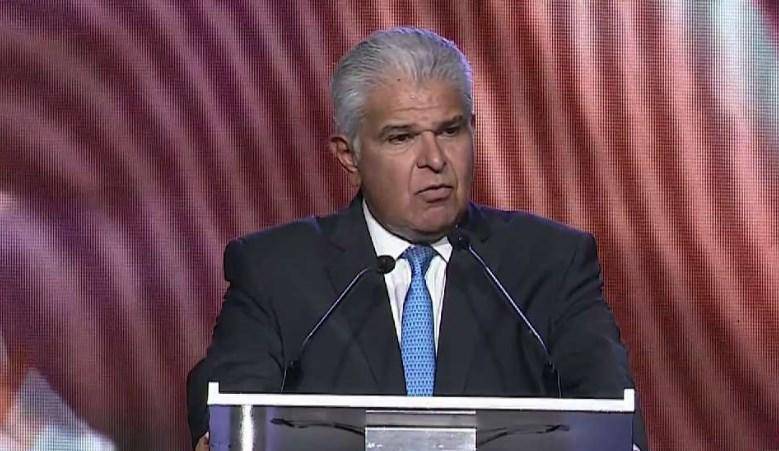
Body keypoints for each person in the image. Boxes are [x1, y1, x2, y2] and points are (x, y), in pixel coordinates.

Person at [188, 27, 648, 450]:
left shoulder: (551, 262)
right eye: (401, 138)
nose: (435, 159)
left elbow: (611, 415)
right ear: (349, 155)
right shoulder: (275, 271)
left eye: (450, 130)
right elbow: (233, 406)